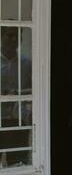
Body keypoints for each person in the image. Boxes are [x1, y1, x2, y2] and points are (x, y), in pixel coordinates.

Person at [0, 26, 32, 168]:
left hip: (18, 120)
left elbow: (36, 90)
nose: (13, 39)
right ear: (1, 36)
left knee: (18, 164)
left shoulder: (27, 64)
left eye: (17, 36)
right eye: (9, 35)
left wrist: (18, 93)